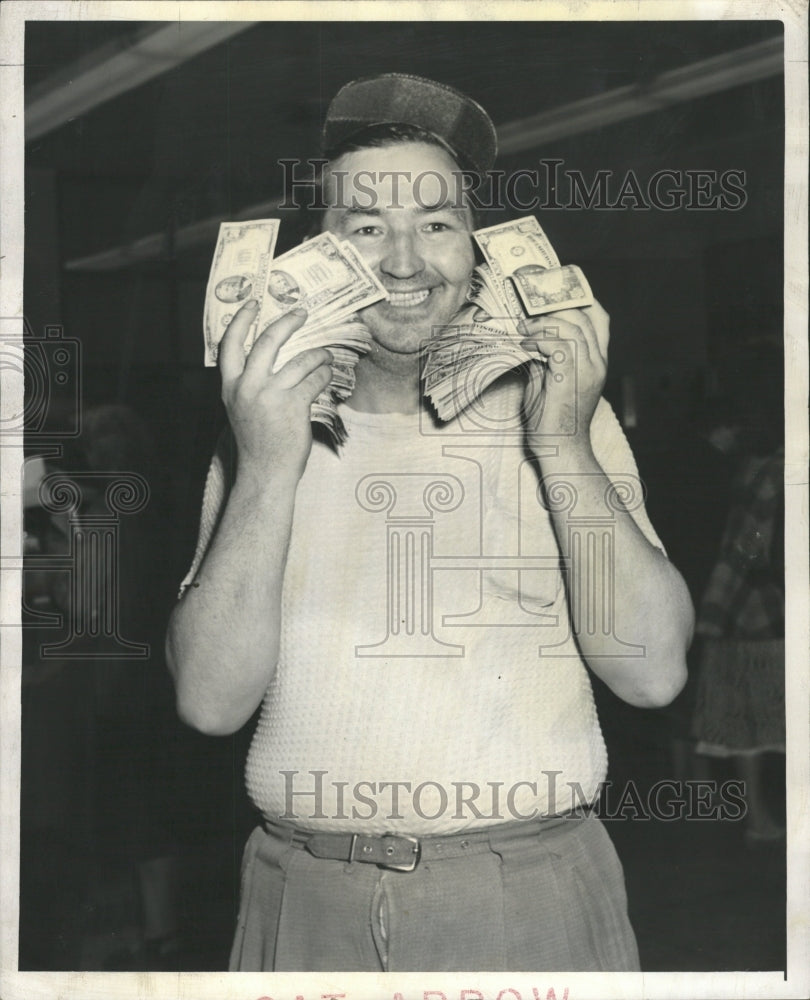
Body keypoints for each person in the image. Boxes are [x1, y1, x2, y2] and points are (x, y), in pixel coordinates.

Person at [166, 73, 693, 972]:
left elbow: (651, 677)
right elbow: (211, 703)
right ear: (310, 262)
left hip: (528, 886)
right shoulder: (257, 431)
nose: (404, 263)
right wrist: (268, 463)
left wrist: (561, 440)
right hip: (303, 896)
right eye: (365, 228)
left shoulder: (565, 415)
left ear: (480, 250)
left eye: (437, 224)